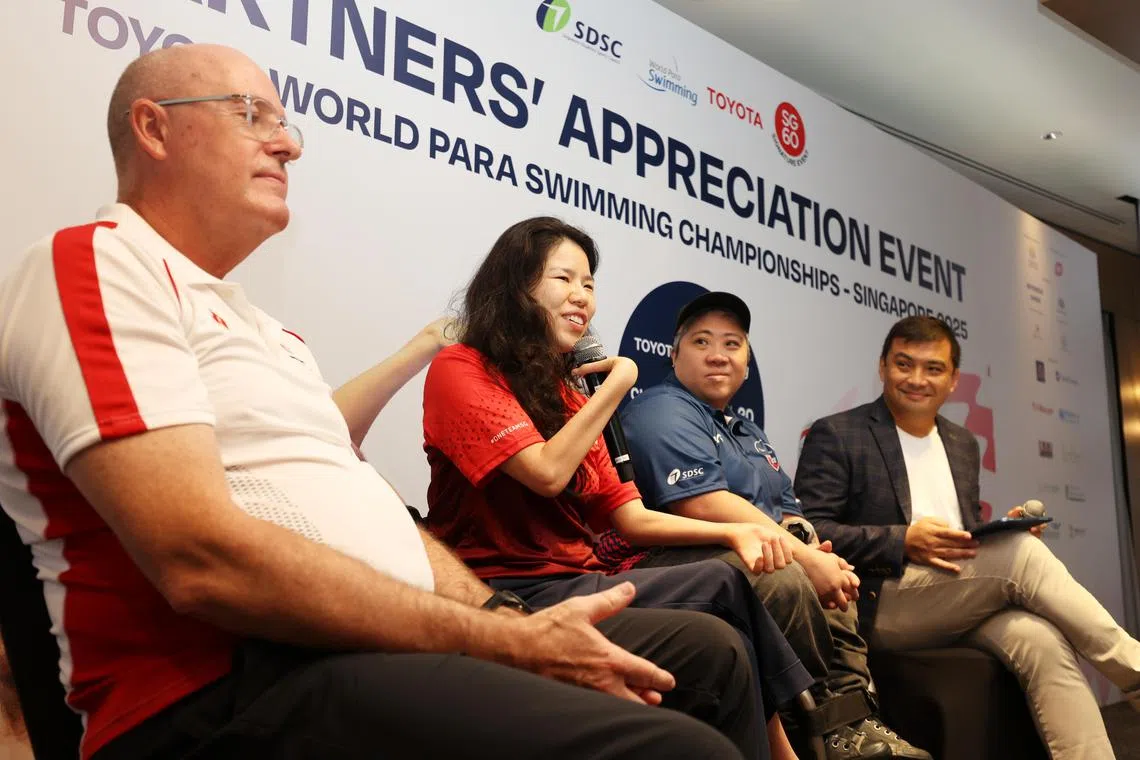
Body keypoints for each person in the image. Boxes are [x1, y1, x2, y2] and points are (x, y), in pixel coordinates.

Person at [0, 43, 769, 760]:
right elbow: (198, 559)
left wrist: (499, 620)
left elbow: (374, 516)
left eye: (285, 121)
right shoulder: (96, 263)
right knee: (678, 746)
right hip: (234, 683)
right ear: (153, 128)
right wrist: (500, 641)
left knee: (712, 657)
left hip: (375, 644)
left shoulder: (272, 335)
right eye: (251, 116)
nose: (288, 144)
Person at [422, 216, 814, 760]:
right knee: (719, 640)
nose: (581, 297)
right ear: (516, 287)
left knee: (726, 580)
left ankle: (784, 749)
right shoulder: (463, 368)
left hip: (580, 578)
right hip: (505, 589)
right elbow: (545, 472)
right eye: (564, 280)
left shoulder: (569, 396)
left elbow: (631, 517)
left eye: (589, 283)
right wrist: (618, 386)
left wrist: (733, 532)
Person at [795, 315, 1140, 760]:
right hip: (880, 603)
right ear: (882, 367)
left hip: (953, 596)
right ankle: (1134, 670)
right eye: (904, 364)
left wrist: (998, 530)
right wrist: (903, 539)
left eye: (933, 368)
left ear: (954, 379)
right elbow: (809, 531)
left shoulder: (962, 443)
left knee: (1041, 638)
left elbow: (962, 532)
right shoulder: (838, 433)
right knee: (1019, 554)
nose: (917, 379)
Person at [607, 292, 929, 760]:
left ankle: (851, 726)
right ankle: (819, 726)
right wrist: (803, 558)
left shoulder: (747, 431)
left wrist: (815, 551)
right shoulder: (662, 408)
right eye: (702, 342)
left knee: (826, 567)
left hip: (752, 549)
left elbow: (789, 511)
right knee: (782, 572)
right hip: (676, 560)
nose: (719, 355)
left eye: (733, 344)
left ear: (747, 360)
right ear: (674, 355)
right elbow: (702, 504)